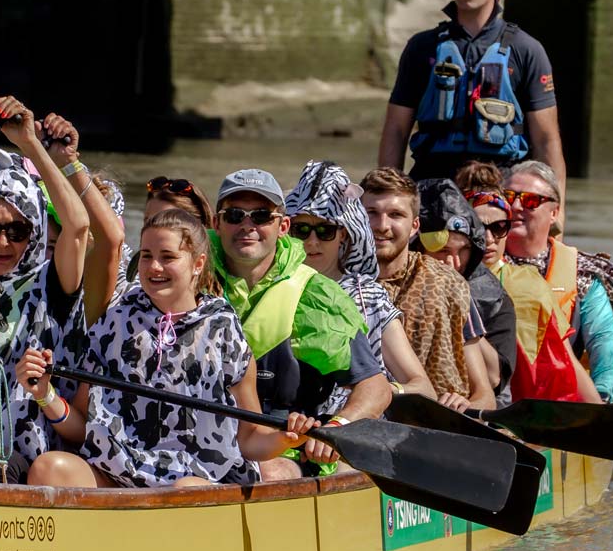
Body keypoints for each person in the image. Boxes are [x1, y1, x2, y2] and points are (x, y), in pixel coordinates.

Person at [15, 209, 317, 487]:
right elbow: (82, 429)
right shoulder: (115, 322)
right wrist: (44, 394)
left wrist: (287, 438)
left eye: (168, 256)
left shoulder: (224, 331)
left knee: (184, 490)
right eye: (146, 256)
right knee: (48, 468)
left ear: (198, 264)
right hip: (119, 478)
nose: (154, 267)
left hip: (197, 483)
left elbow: (249, 439)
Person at [209, 168, 393, 479]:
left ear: (282, 226)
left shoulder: (315, 295)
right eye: (235, 215)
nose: (247, 226)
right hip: (196, 442)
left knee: (264, 471)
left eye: (261, 216)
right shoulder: (188, 275)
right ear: (216, 223)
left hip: (287, 447)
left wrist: (339, 427)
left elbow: (375, 387)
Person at [377, 0, 568, 219]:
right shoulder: (423, 47)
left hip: (500, 187)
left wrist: (557, 216)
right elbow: (396, 130)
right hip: (433, 183)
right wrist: (388, 201)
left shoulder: (526, 50)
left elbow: (546, 140)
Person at [0, 97, 91, 480]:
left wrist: (30, 143)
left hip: (28, 458)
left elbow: (78, 226)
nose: (3, 243)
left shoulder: (51, 282)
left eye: (17, 232)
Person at [281, 160, 435, 404]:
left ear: (344, 233)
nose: (312, 242)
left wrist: (378, 391)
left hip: (355, 428)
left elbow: (423, 387)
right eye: (301, 230)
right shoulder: (273, 288)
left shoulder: (369, 297)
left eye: (325, 230)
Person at [458, 163, 599, 403]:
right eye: (479, 228)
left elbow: (564, 358)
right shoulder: (432, 275)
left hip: (517, 407)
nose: (489, 239)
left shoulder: (530, 284)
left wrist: (600, 412)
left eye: (499, 227)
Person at [360, 166, 495, 412]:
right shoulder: (335, 283)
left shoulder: (450, 284)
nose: (382, 225)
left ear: (414, 227)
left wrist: (466, 406)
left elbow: (485, 396)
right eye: (372, 212)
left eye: (395, 215)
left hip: (434, 427)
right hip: (356, 423)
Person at [502, 160, 613, 402]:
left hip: (560, 400)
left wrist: (601, 396)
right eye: (508, 196)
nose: (515, 206)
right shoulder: (480, 261)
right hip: (499, 397)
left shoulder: (583, 273)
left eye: (530, 200)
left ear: (554, 213)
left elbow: (603, 340)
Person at [415, 178, 516, 406]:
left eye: (463, 250)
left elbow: (493, 378)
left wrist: (458, 303)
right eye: (442, 251)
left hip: (480, 408)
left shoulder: (495, 299)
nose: (453, 262)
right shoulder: (387, 290)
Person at [33, 113, 126, 325]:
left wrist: (66, 161)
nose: (55, 257)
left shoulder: (93, 300)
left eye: (57, 245)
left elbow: (110, 239)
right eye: (47, 246)